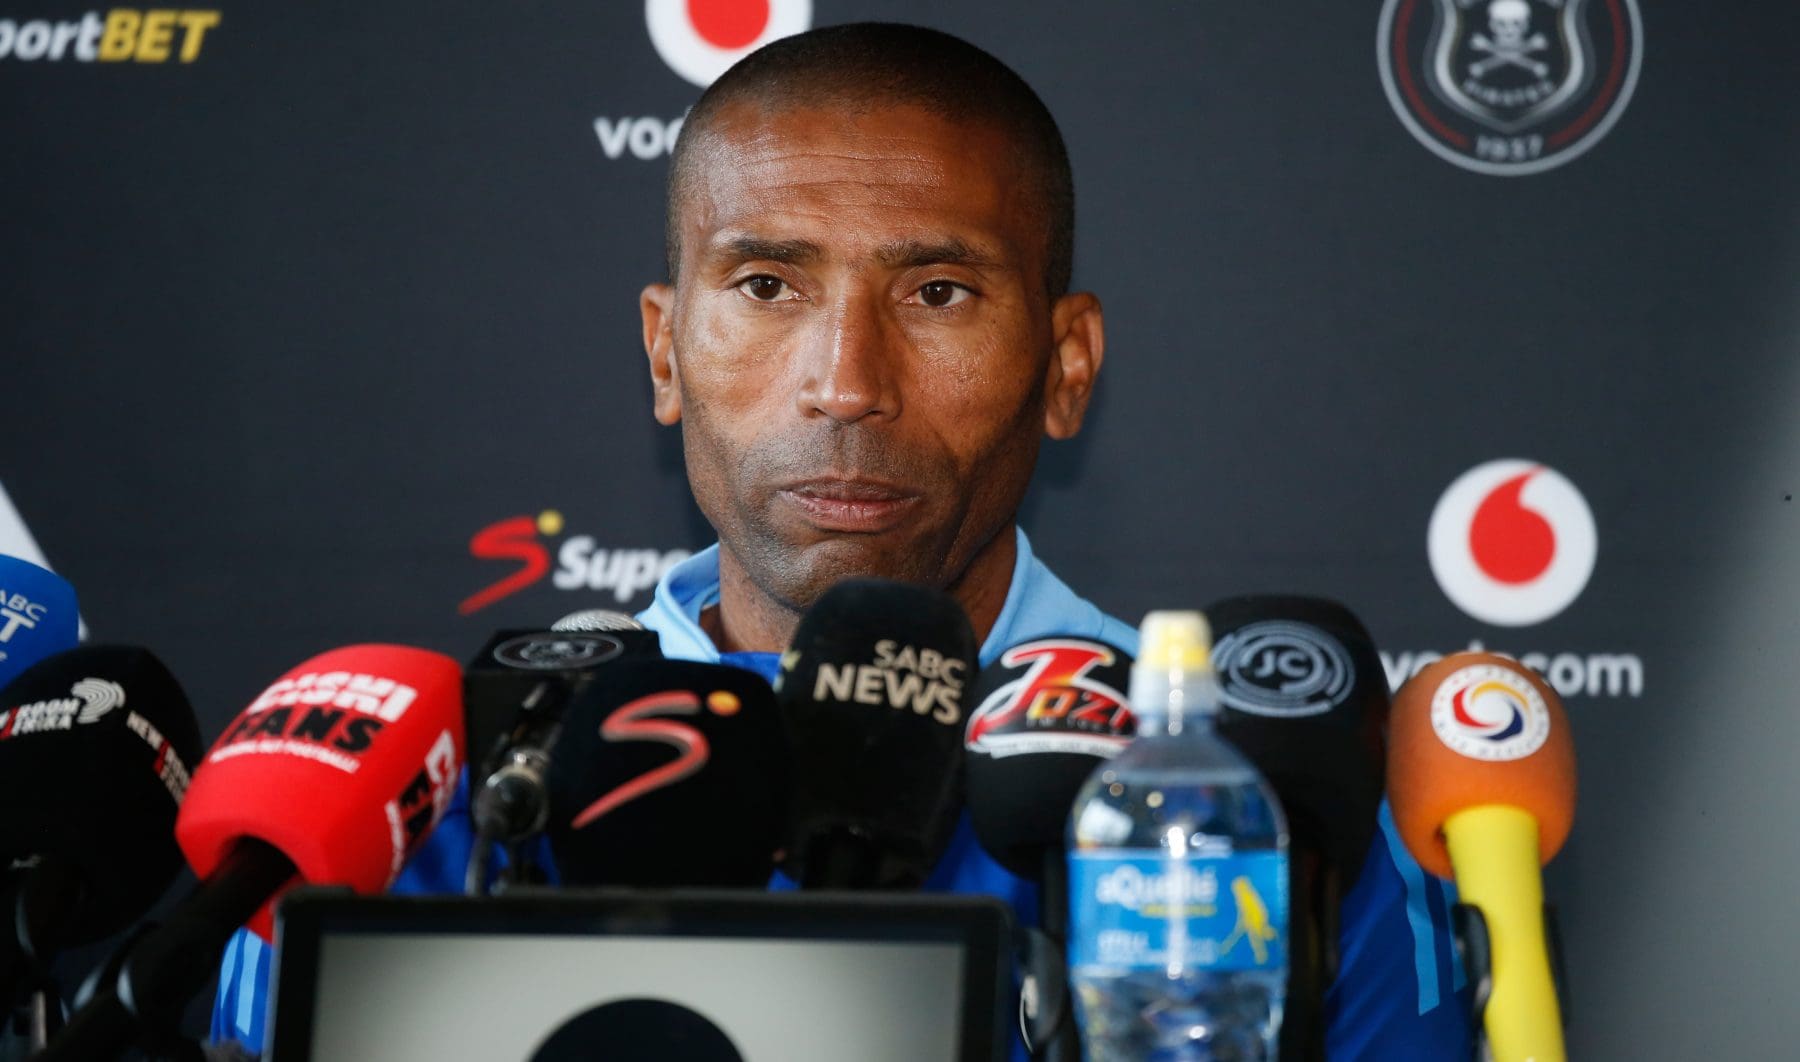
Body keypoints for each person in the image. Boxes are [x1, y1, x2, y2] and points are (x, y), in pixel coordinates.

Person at [212, 22, 1469, 1059]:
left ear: (1065, 364)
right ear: (665, 351)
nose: (846, 382)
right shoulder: (439, 795)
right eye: (767, 286)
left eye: (938, 293)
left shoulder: (1238, 804)